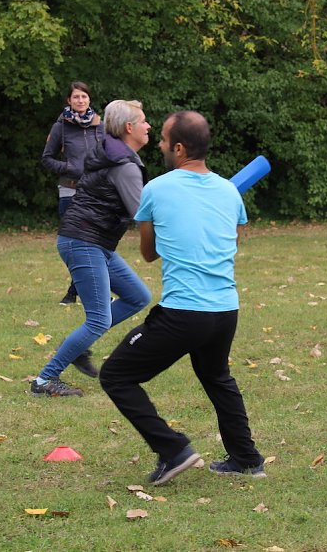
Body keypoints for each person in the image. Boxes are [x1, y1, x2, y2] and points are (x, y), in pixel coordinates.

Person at [99, 111, 266, 485]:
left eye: (161, 139)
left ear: (178, 147)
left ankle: (173, 450)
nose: (158, 144)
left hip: (183, 313)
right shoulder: (229, 191)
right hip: (225, 310)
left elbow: (148, 253)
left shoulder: (157, 189)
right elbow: (232, 241)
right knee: (216, 376)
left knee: (116, 375)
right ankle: (247, 459)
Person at [31, 100, 153, 397]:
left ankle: (76, 346)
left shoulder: (116, 157)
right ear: (128, 127)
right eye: (143, 121)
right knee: (99, 319)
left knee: (138, 296)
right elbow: (143, 213)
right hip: (84, 241)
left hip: (93, 242)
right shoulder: (124, 166)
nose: (148, 126)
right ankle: (44, 380)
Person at [42, 81, 105, 306]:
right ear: (69, 100)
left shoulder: (100, 125)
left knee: (96, 243)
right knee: (74, 244)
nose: (80, 100)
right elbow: (47, 158)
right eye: (76, 97)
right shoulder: (61, 126)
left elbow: (108, 156)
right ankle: (84, 289)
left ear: (89, 99)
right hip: (70, 190)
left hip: (96, 192)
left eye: (84, 97)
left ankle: (79, 290)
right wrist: (69, 168)